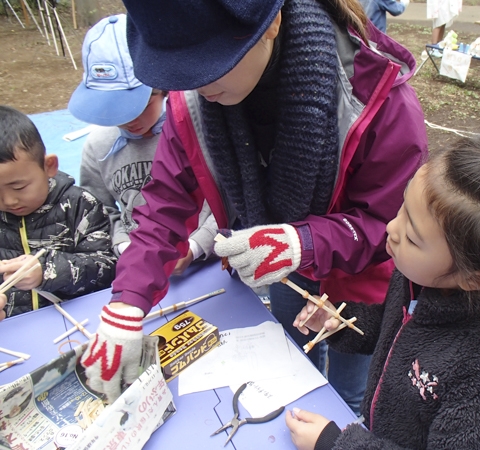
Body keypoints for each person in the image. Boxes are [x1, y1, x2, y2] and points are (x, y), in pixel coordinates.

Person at [80, 0, 428, 409]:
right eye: (178, 72)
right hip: (279, 266)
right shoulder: (192, 101)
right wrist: (128, 301)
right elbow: (162, 206)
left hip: (357, 281)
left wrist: (303, 242)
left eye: (208, 64)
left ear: (271, 23)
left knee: (349, 389)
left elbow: (388, 223)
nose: (195, 85)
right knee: (292, 369)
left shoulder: (375, 97)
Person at [286, 126, 480, 450]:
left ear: (476, 279)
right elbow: (400, 328)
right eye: (403, 208)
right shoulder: (425, 276)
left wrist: (336, 444)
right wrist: (342, 322)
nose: (392, 228)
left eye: (414, 236)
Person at [68, 14, 217, 273]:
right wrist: (128, 249)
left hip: (208, 261)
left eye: (143, 106)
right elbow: (99, 214)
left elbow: (229, 201)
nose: (130, 119)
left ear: (162, 89)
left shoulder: (198, 129)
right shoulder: (97, 147)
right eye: (116, 110)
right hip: (138, 266)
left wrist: (194, 247)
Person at [0, 105, 116, 318]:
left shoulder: (80, 205)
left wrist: (48, 270)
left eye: (19, 187)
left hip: (75, 323)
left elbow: (107, 267)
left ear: (48, 166)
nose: (9, 200)